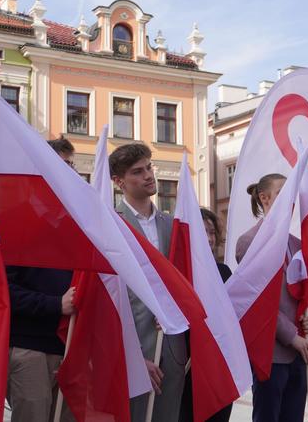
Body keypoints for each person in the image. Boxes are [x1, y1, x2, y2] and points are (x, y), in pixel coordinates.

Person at [109, 143, 187, 422]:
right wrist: (131, 354)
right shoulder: (110, 226)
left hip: (172, 345)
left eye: (149, 167)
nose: (148, 175)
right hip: (132, 349)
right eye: (137, 172)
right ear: (119, 182)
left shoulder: (172, 225)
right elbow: (108, 299)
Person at [234, 173, 308, 422]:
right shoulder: (249, 242)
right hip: (270, 351)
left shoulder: (298, 244)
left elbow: (307, 291)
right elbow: (258, 301)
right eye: (283, 191)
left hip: (300, 353)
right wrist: (292, 337)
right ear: (265, 197)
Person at [6, 136, 77, 422]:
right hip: (30, 348)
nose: (71, 172)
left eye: (72, 165)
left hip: (71, 347)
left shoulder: (76, 224)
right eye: (63, 165)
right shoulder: (15, 221)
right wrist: (55, 304)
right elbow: (2, 290)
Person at [178, 207, 233, 422]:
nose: (209, 239)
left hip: (217, 365)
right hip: (186, 364)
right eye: (203, 232)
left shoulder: (224, 272)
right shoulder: (177, 271)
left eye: (212, 232)